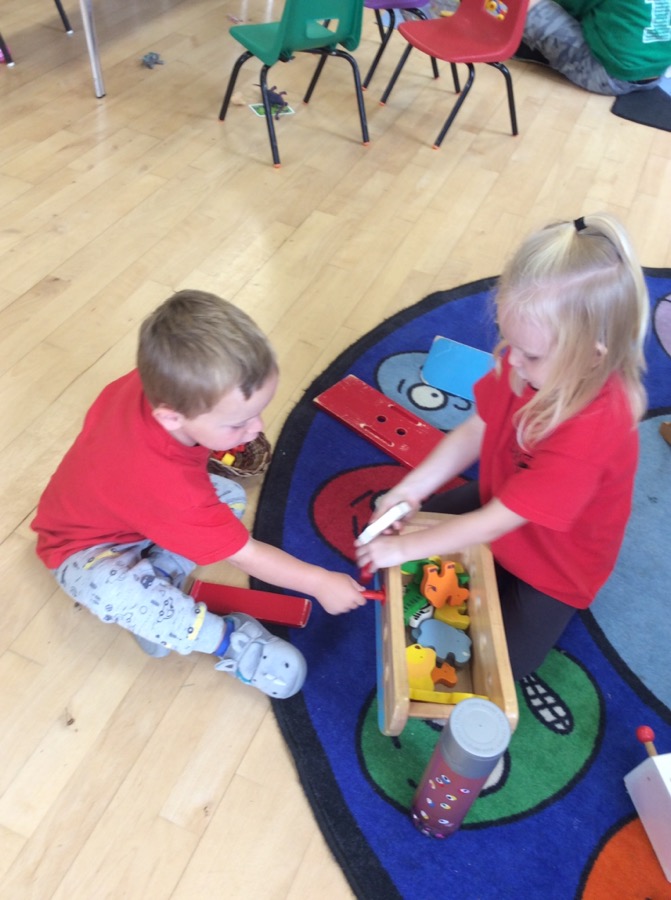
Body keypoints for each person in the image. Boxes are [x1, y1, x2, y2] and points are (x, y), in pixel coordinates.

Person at [355, 214, 649, 680]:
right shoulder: (525, 362)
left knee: (497, 664)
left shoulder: (595, 428)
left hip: (555, 560)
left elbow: (500, 520)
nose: (513, 360)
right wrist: (411, 489)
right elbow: (477, 429)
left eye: (530, 354)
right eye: (510, 342)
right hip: (503, 495)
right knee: (410, 525)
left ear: (591, 357)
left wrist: (407, 550)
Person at [32, 291, 367, 699]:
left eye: (257, 413)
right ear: (172, 416)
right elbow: (245, 554)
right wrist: (319, 582)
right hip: (82, 549)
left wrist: (225, 428)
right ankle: (228, 641)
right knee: (115, 592)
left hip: (130, 513)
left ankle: (158, 581)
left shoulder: (158, 385)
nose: (257, 429)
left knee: (229, 495)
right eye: (238, 423)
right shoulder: (168, 486)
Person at [516, 0, 671, 95]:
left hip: (608, 77)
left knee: (522, 4)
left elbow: (568, 5)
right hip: (655, 73)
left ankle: (526, 46)